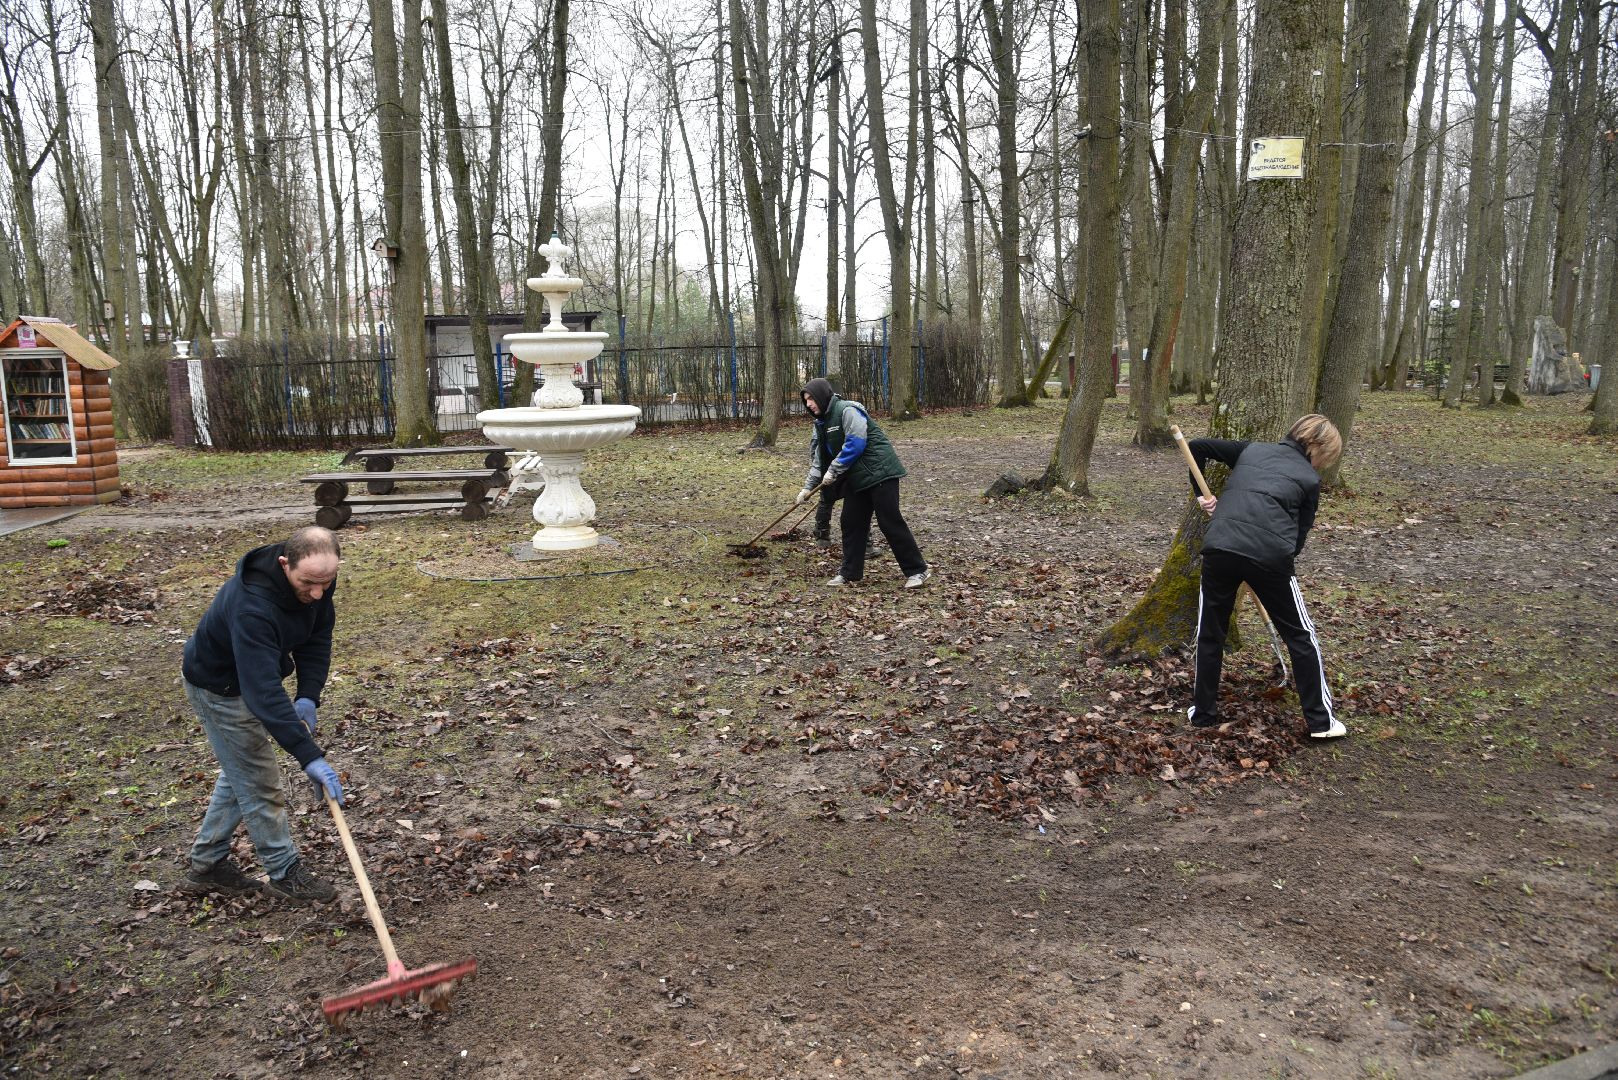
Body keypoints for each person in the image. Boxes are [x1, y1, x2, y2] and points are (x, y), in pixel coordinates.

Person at [178, 526, 346, 902]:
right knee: (260, 781)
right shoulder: (252, 606)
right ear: (285, 564)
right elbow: (262, 691)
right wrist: (309, 756)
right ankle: (284, 871)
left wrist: (308, 695)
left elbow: (317, 638)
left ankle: (207, 864)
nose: (318, 593)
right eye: (309, 583)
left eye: (327, 582)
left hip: (250, 680)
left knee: (241, 771)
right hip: (219, 686)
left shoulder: (315, 579)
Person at [1186, 414, 1346, 739]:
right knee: (1302, 637)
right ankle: (1321, 722)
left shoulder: (1251, 450)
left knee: (1210, 632)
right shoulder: (1310, 481)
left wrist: (1200, 494)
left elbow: (1196, 447)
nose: (1321, 465)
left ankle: (1203, 713)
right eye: (1325, 458)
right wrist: (1268, 564)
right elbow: (1297, 540)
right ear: (1317, 447)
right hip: (1269, 558)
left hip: (1220, 546)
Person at [796, 377, 930, 588]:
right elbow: (819, 460)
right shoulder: (821, 424)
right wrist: (807, 487)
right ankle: (850, 573)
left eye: (812, 398)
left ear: (822, 395)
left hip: (880, 473)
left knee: (890, 521)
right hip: (857, 478)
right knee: (851, 522)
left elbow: (856, 443)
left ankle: (918, 571)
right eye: (806, 401)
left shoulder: (847, 410)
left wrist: (834, 469)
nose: (809, 404)